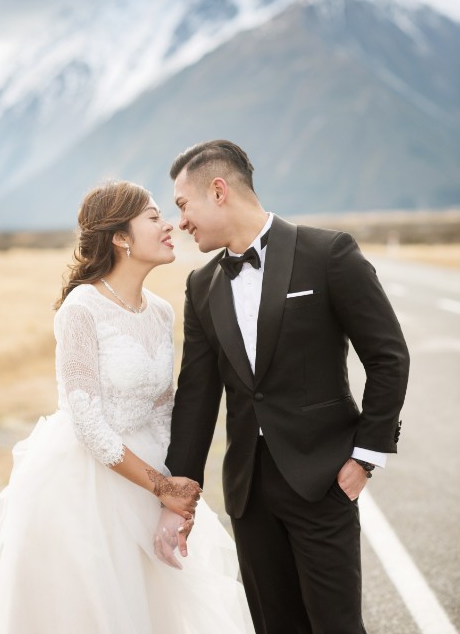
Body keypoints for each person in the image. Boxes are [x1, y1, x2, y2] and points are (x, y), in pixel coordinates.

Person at [0, 180, 254, 634]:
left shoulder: (161, 311)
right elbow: (87, 422)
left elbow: (165, 407)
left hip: (153, 477)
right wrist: (160, 486)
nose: (169, 224)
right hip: (87, 484)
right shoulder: (80, 309)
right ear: (120, 238)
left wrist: (175, 493)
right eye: (152, 217)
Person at [165, 140, 410, 634]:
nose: (181, 221)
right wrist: (179, 491)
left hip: (323, 481)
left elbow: (388, 357)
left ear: (218, 191)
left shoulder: (328, 254)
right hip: (249, 493)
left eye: (182, 204)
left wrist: (364, 457)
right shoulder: (200, 286)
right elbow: (196, 396)